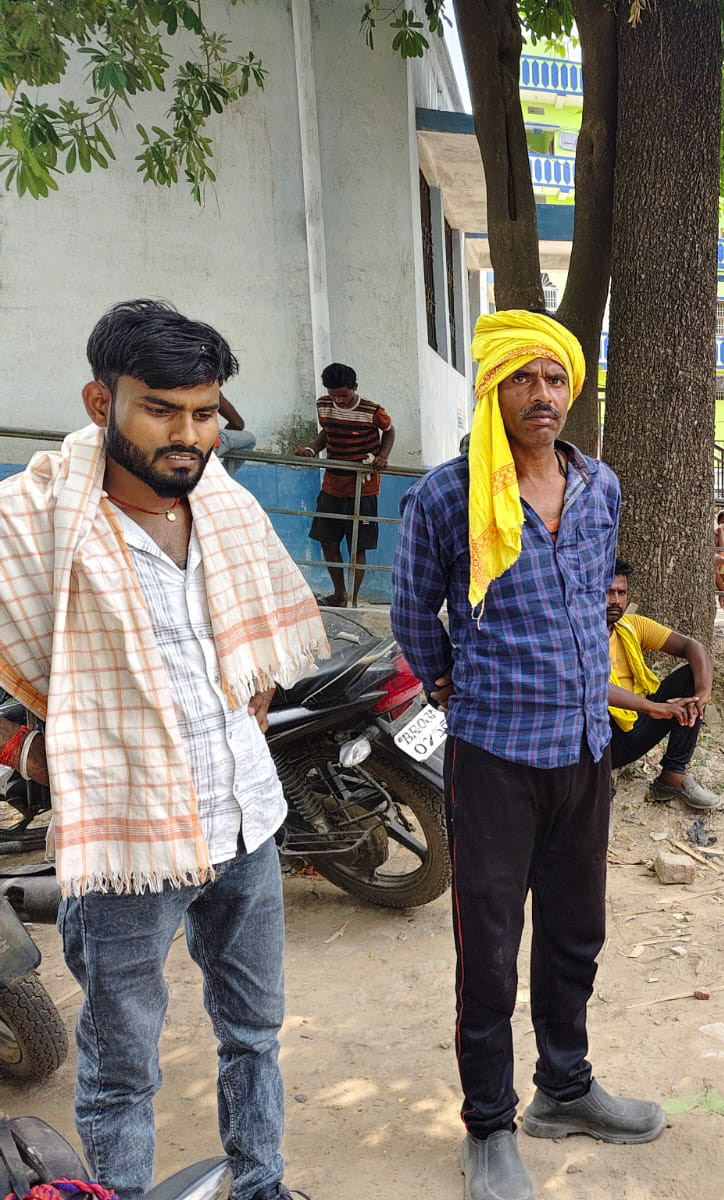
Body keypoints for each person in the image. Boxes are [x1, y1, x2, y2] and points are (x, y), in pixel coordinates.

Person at [0, 299, 327, 1200]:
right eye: (161, 409)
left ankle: (261, 1185)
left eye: (205, 412)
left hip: (246, 823)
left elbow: (262, 634)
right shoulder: (32, 526)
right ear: (100, 402)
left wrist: (254, 686)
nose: (188, 434)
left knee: (254, 1034)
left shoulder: (225, 506)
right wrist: (30, 756)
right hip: (126, 846)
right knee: (121, 1067)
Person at [392, 311, 663, 1200]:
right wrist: (450, 680)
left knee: (577, 929)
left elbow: (595, 600)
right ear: (491, 390)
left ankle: (566, 1088)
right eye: (522, 378)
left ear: (571, 389)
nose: (541, 395)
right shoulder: (446, 496)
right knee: (490, 947)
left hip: (584, 748)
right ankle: (488, 1125)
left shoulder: (598, 486)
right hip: (495, 755)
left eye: (554, 379)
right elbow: (413, 612)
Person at [605, 561, 720, 810]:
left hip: (636, 725)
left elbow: (692, 647)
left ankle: (672, 775)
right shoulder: (575, 636)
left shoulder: (632, 626)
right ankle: (598, 793)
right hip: (600, 738)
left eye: (621, 593)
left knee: (689, 678)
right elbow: (591, 688)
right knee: (587, 707)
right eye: (607, 592)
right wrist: (652, 707)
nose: (615, 600)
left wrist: (701, 695)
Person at [294, 363, 394, 608]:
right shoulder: (323, 405)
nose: (339, 400)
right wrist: (311, 449)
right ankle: (339, 595)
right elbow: (326, 433)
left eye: (344, 395)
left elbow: (390, 431)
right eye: (334, 395)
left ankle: (353, 600)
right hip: (332, 486)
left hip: (363, 487)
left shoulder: (372, 410)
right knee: (328, 542)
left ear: (355, 387)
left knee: (357, 547)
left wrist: (383, 455)